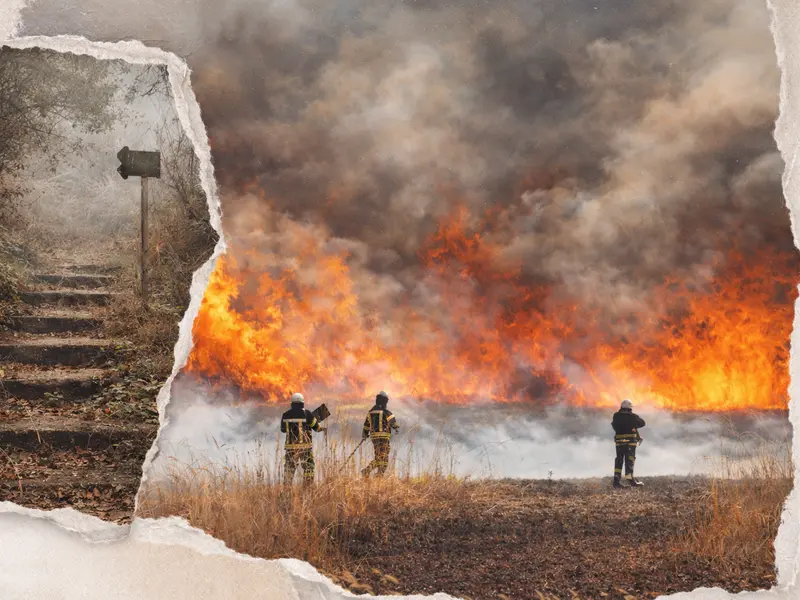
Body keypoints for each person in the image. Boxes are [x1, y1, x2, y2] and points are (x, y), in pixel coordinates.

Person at [280, 392, 324, 486]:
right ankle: (307, 487)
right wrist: (316, 423)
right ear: (302, 403)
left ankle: (287, 489)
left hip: (290, 448)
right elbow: (317, 428)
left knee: (289, 468)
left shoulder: (285, 415)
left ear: (292, 403)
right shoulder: (307, 413)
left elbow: (283, 430)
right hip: (305, 448)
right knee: (309, 467)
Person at [361, 391, 399, 477]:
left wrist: (364, 434)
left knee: (378, 457)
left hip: (374, 438)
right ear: (384, 401)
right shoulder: (386, 412)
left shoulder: (370, 412)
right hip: (384, 438)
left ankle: (370, 472)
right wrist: (396, 427)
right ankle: (377, 475)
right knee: (383, 458)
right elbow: (393, 422)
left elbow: (366, 425)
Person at [612, 398, 645, 488]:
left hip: (619, 443)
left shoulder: (616, 416)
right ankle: (630, 479)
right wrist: (633, 423)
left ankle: (616, 480)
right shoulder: (633, 417)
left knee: (619, 459)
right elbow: (642, 423)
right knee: (629, 459)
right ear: (630, 408)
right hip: (630, 443)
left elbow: (614, 425)